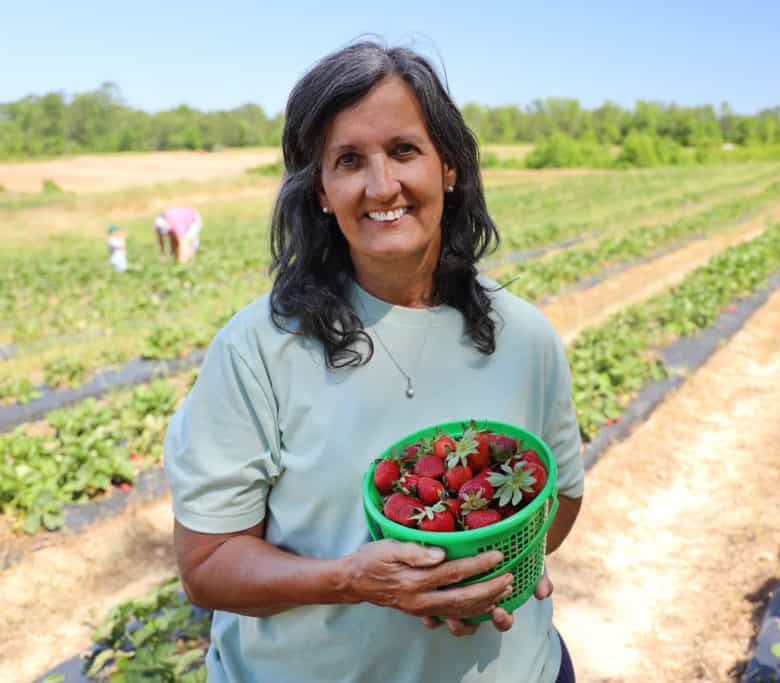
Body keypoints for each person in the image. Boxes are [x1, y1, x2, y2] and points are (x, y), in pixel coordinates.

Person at [164, 41, 585, 683]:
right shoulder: (258, 350)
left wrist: (492, 567)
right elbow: (207, 564)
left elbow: (560, 501)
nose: (381, 184)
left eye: (405, 150)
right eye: (349, 160)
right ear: (323, 193)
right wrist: (353, 580)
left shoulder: (524, 336)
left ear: (449, 169)